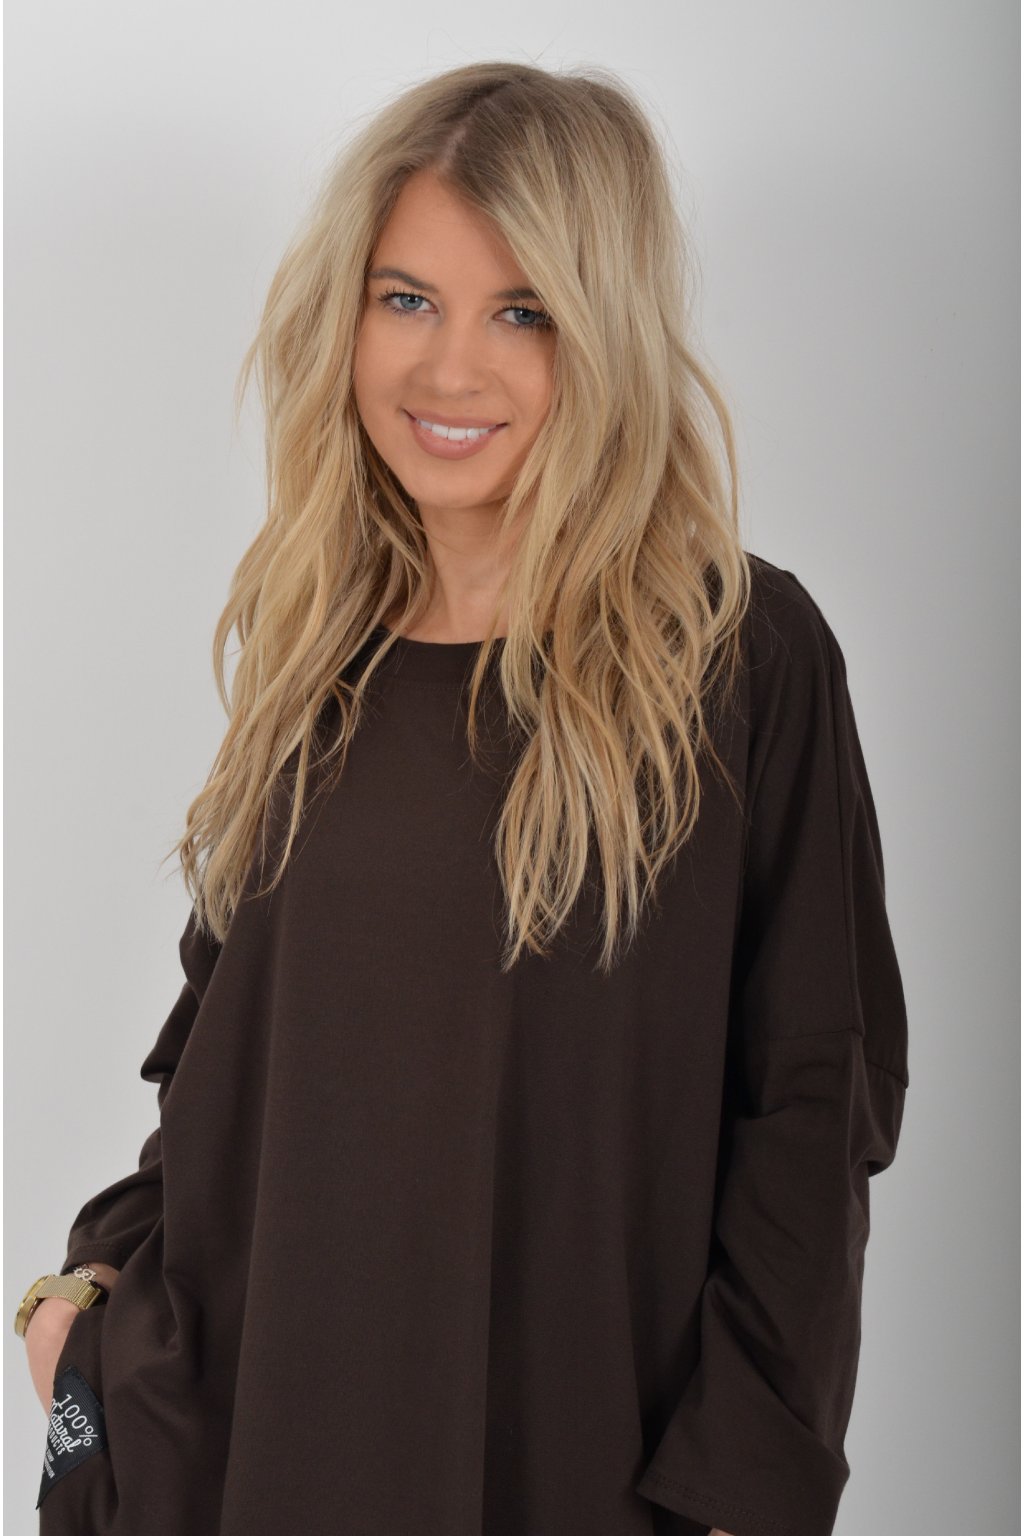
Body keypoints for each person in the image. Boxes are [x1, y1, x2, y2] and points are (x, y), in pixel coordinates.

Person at [18, 60, 909, 1536]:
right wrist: (83, 1312)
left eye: (523, 312)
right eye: (407, 299)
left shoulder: (737, 656)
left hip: (579, 1471)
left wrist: (736, 1491)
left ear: (605, 334)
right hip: (249, 1465)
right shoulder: (319, 657)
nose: (449, 371)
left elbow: (815, 1101)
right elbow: (222, 1064)